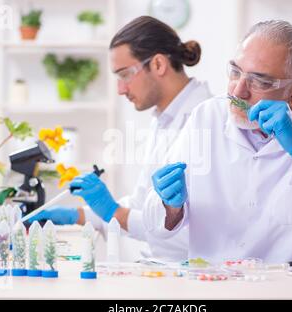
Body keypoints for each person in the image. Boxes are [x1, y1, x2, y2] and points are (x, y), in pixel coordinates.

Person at [144, 20, 292, 264]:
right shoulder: (206, 117)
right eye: (235, 72)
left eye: (259, 81)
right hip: (216, 287)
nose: (238, 91)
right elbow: (156, 225)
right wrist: (170, 206)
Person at [30, 16, 212, 261]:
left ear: (158, 64)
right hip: (163, 266)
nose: (120, 89)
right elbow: (142, 203)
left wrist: (112, 210)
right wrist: (80, 215)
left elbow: (189, 227)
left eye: (125, 74)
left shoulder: (205, 120)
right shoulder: (164, 118)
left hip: (191, 273)